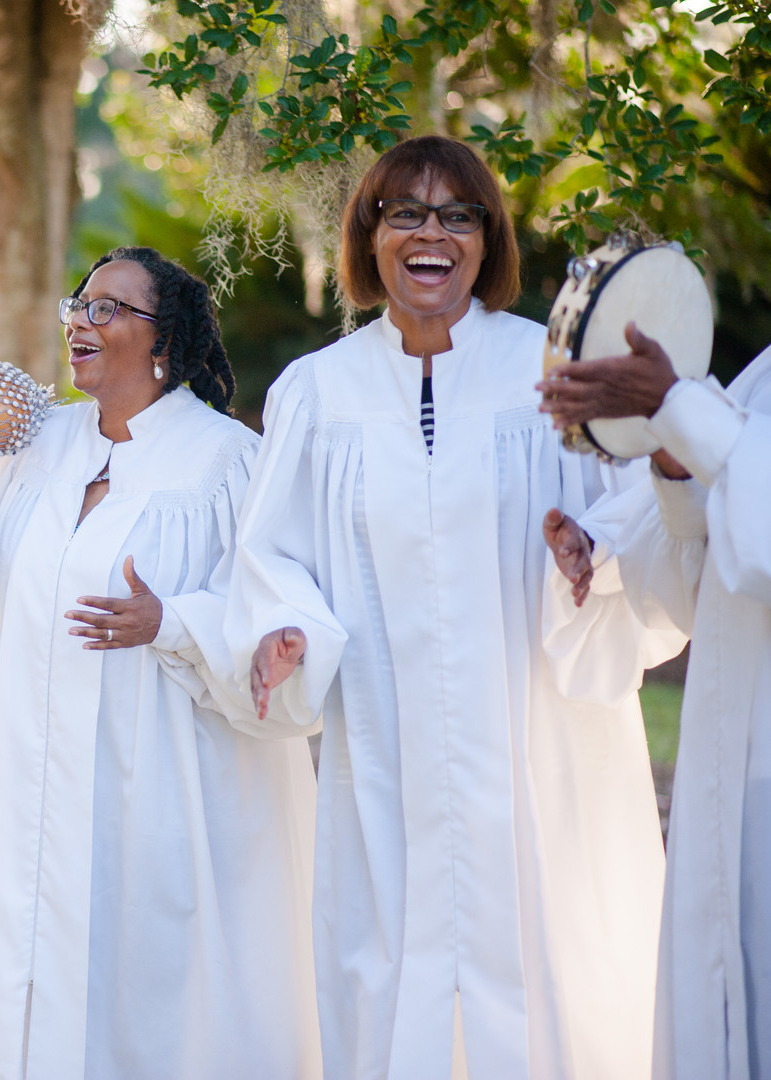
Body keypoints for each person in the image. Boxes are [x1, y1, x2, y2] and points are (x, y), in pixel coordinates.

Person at [233, 135, 682, 1078]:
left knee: (550, 949)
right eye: (405, 212)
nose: (431, 232)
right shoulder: (318, 393)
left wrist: (589, 557)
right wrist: (286, 631)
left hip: (539, 734)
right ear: (369, 236)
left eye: (457, 214)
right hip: (386, 746)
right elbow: (270, 553)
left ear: (486, 240)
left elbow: (645, 513)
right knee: (388, 953)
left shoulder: (554, 378)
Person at [0, 247, 322, 1079]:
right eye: (79, 304)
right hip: (33, 774)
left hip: (155, 777)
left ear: (164, 341)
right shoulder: (36, 444)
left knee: (150, 980)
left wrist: (171, 620)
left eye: (110, 309)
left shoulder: (222, 462)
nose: (83, 322)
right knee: (37, 963)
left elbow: (269, 608)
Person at [540, 329, 771, 1079]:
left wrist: (675, 410)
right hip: (729, 757)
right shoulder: (764, 373)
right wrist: (672, 464)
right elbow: (692, 581)